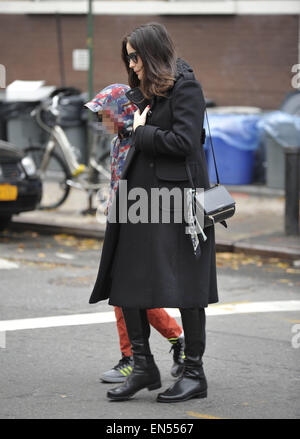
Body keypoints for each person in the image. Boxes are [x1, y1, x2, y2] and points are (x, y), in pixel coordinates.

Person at [88, 23, 218, 403]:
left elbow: (184, 141)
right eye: (128, 57)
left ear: (154, 53)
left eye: (136, 56)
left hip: (179, 206)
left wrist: (142, 132)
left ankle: (194, 373)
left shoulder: (186, 87)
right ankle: (143, 366)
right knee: (125, 279)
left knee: (187, 288)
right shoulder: (144, 92)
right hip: (137, 202)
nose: (132, 64)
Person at [85, 83, 185, 383]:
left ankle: (134, 358)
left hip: (139, 224)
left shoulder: (140, 141)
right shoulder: (121, 140)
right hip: (121, 221)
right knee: (126, 292)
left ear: (123, 112)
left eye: (106, 115)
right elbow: (118, 179)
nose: (103, 122)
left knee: (125, 292)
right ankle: (172, 342)